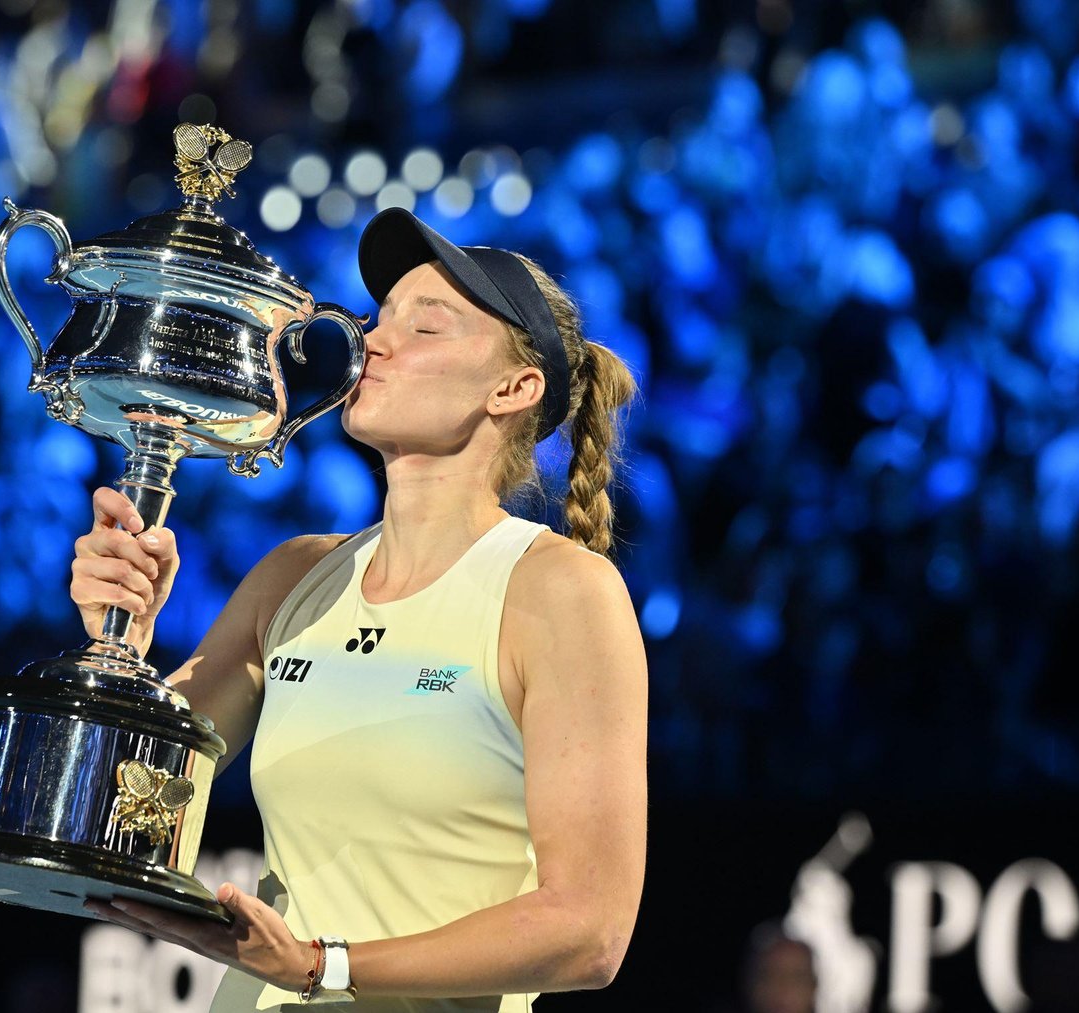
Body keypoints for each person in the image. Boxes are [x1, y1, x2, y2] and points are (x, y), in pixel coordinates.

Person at [70, 207, 647, 1011]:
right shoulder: (292, 576)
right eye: (379, 320)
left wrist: (321, 964)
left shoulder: (561, 591)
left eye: (426, 327)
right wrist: (121, 643)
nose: (373, 340)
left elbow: (590, 930)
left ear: (514, 388)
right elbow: (118, 819)